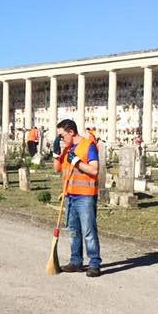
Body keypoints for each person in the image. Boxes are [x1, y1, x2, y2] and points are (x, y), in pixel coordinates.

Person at [53, 119, 101, 278]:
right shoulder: (66, 149)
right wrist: (56, 153)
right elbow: (57, 168)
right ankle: (76, 261)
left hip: (85, 196)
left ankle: (94, 263)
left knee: (88, 231)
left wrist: (77, 162)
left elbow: (94, 170)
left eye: (61, 135)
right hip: (70, 195)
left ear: (71, 132)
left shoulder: (89, 146)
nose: (60, 139)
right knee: (73, 231)